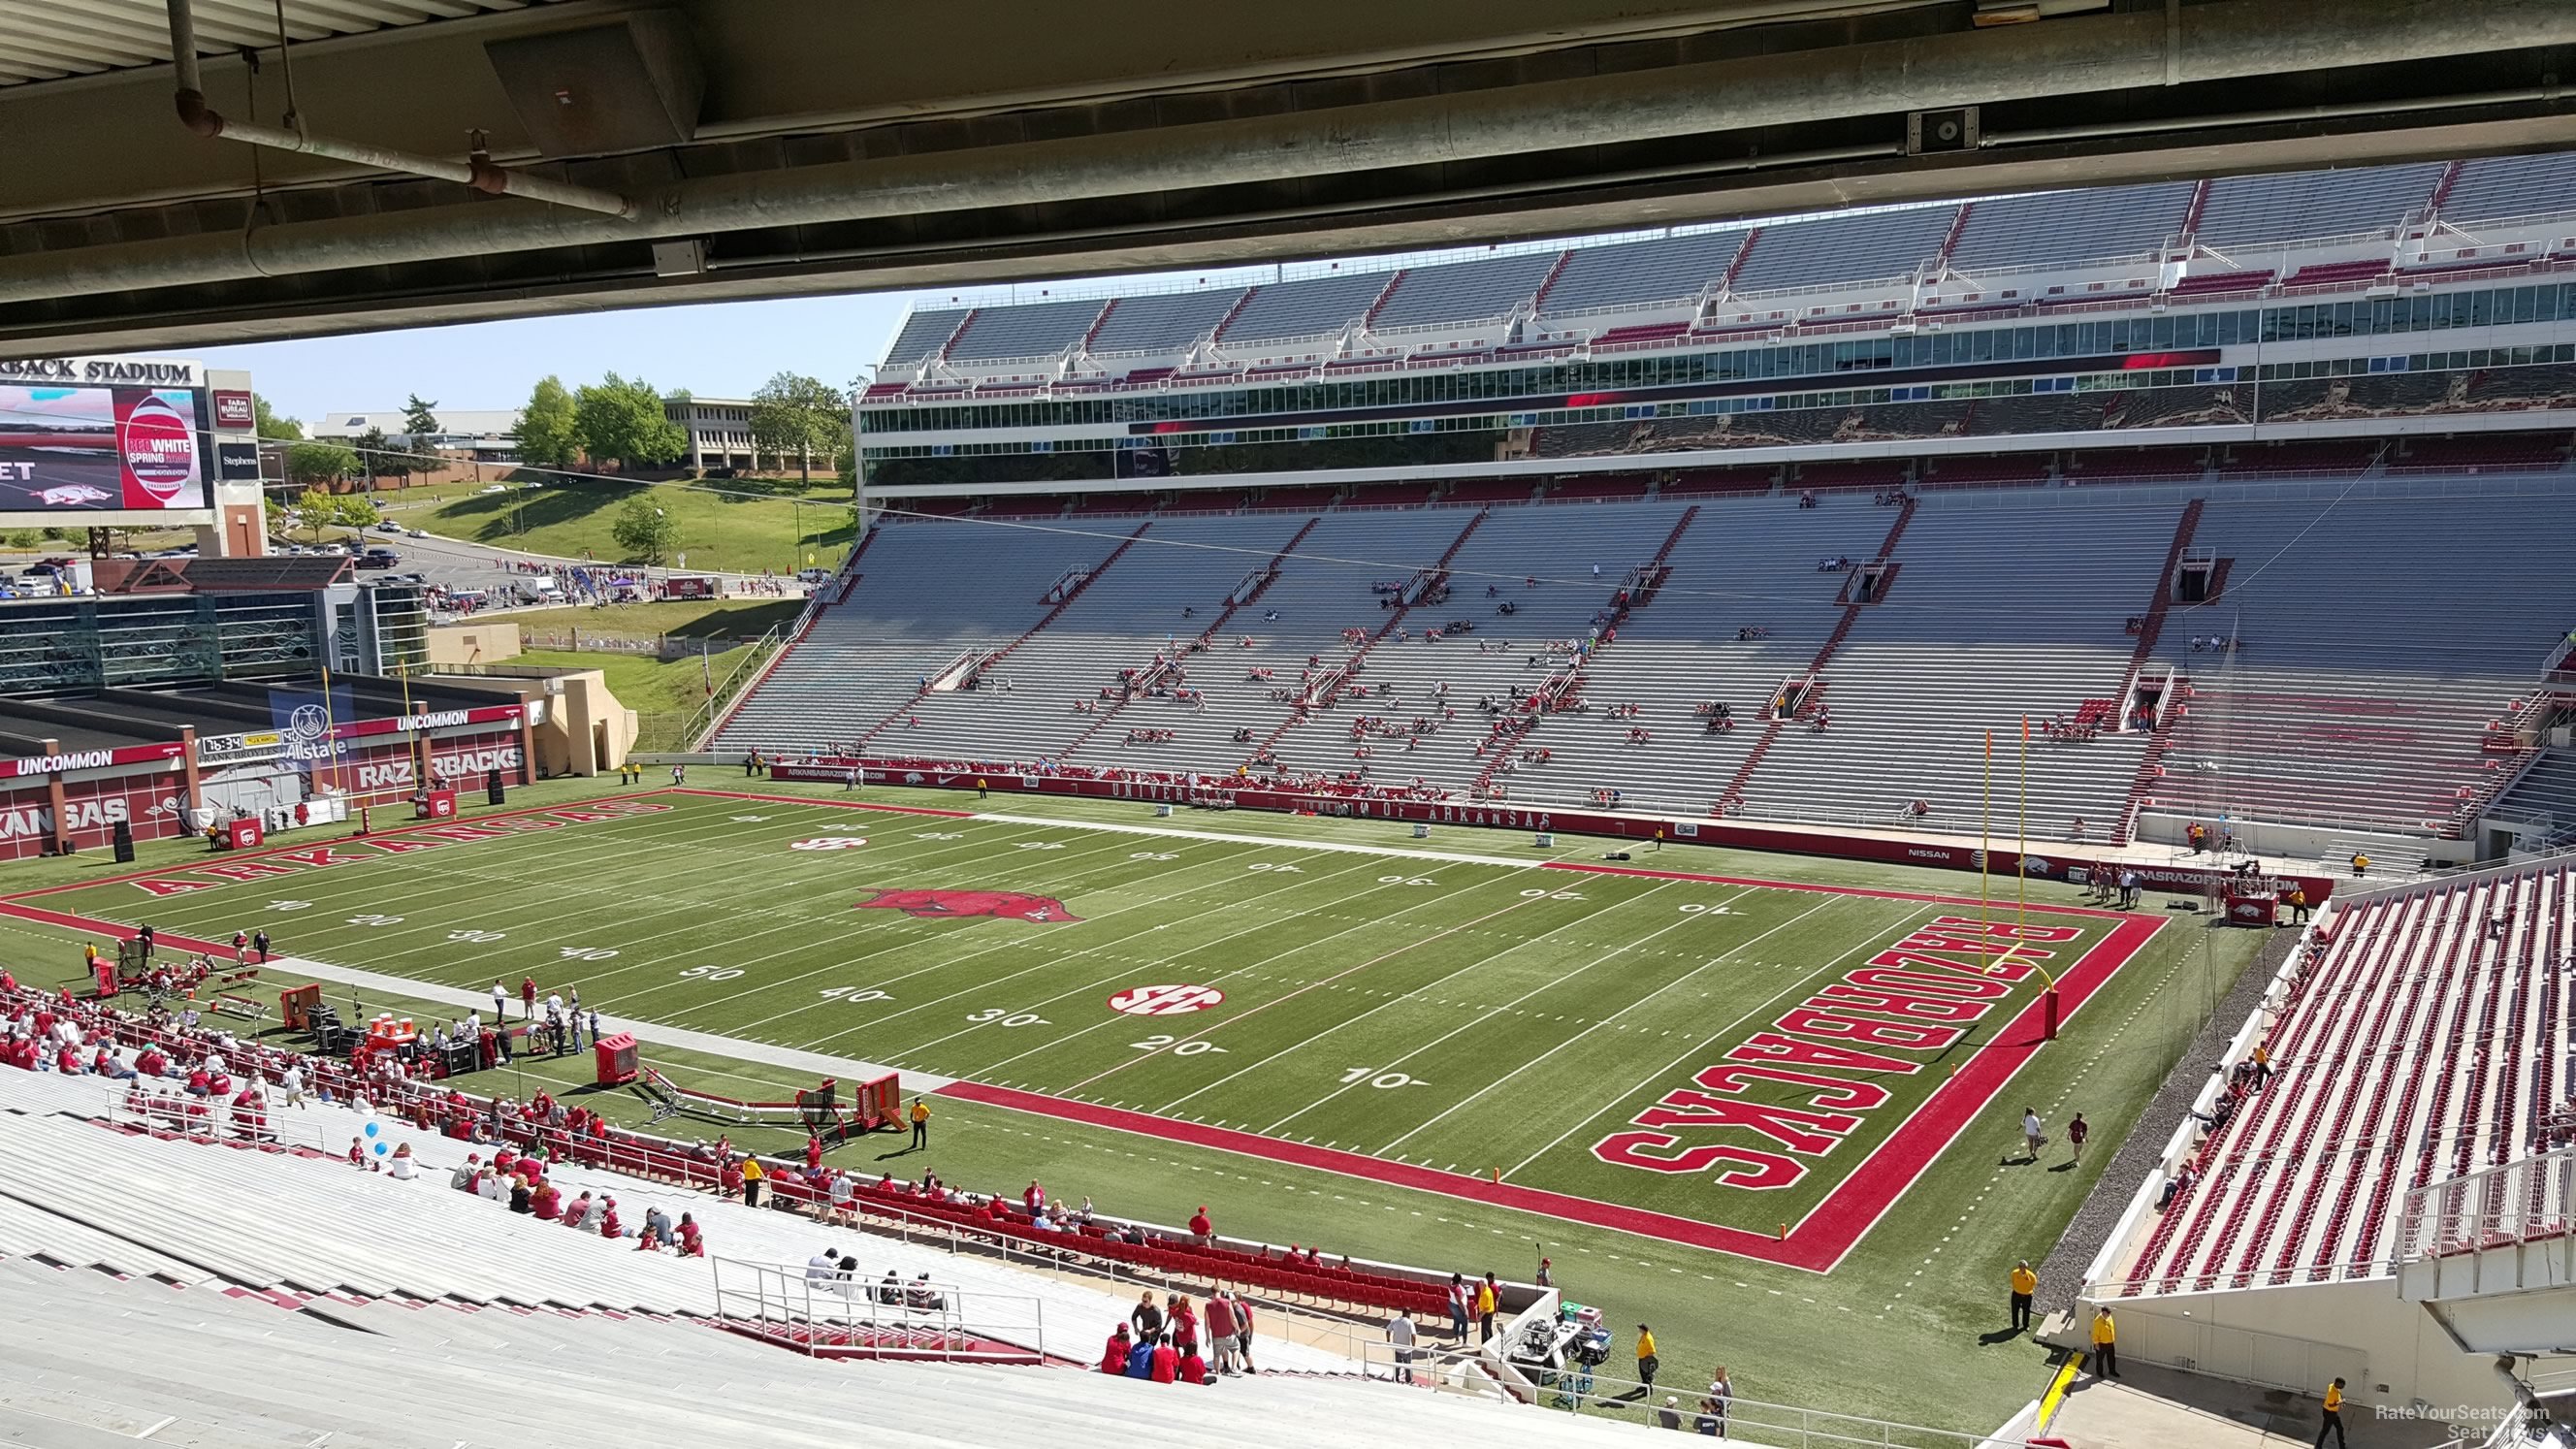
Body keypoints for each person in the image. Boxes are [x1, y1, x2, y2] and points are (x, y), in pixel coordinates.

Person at [2315, 1376, 2348, 1448]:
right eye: (2342, 1385)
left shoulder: (2333, 1386)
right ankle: (2318, 1447)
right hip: (2330, 1413)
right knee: (2325, 1431)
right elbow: (2331, 1405)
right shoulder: (2332, 1392)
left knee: (2340, 1428)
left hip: (2332, 1413)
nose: (2343, 1387)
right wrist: (2341, 1402)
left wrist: (2341, 1401)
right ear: (2337, 1383)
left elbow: (2338, 1394)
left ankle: (2342, 1446)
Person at [1385, 1309, 1416, 1383]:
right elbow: (1413, 1335)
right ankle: (1408, 1380)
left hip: (1397, 1348)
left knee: (1397, 1365)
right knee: (1408, 1366)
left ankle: (1395, 1378)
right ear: (1409, 1314)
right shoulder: (1409, 1322)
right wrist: (1413, 1345)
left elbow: (1388, 1331)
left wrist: (1388, 1340)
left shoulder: (1395, 1320)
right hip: (1407, 1349)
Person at [2089, 1307, 2119, 1379]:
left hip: (2110, 1342)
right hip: (2101, 1343)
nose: (2109, 1315)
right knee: (2100, 1359)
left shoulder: (2109, 1317)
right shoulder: (2098, 1321)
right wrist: (2096, 1344)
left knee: (2111, 1358)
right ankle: (2099, 1372)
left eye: (2109, 1313)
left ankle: (2112, 1371)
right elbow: (2095, 1334)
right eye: (2108, 1313)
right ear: (2103, 1313)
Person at [2009, 1261, 2038, 1334]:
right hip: (2016, 1295)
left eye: (2023, 1266)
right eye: (2020, 1266)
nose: (2021, 1268)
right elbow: (2013, 1281)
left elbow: (2033, 1284)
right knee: (2014, 1310)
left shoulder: (2031, 1276)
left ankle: (2025, 1325)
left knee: (2026, 1311)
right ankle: (2015, 1326)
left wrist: (2026, 1290)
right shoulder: (2014, 1273)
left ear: (2026, 1267)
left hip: (2027, 1296)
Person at [1635, 1323, 1660, 1394]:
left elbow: (1652, 1351)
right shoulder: (1644, 1335)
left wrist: (1646, 1358)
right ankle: (1644, 1386)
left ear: (1643, 1330)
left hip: (1645, 1360)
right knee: (1643, 1374)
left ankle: (1649, 1390)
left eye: (1640, 1329)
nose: (1639, 1330)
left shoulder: (1648, 1338)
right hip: (1642, 1358)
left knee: (1647, 1375)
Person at [1476, 1272, 1499, 1343]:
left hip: (1486, 1314)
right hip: (1489, 1313)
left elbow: (1486, 1308)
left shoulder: (1486, 1293)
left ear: (1485, 1285)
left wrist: (1480, 1316)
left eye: (1481, 1285)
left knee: (1485, 1332)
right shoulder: (1486, 1290)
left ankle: (1484, 1348)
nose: (1479, 1286)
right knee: (1488, 1329)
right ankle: (1491, 1343)